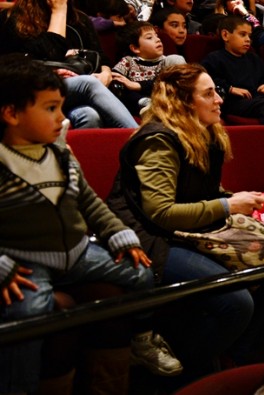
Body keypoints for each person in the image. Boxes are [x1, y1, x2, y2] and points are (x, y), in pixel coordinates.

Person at [0, 54, 179, 393]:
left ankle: (141, 339)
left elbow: (89, 202)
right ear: (11, 114)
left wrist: (119, 235)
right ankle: (17, 385)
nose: (61, 117)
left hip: (79, 252)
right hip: (27, 260)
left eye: (60, 107)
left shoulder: (60, 154)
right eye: (50, 108)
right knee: (30, 314)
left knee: (142, 272)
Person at [106, 64, 264, 381]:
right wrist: (228, 205)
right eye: (209, 93)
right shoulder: (158, 139)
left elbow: (197, 191)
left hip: (185, 229)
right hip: (150, 236)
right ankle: (186, 375)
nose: (219, 100)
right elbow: (160, 212)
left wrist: (238, 199)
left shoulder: (203, 132)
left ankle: (234, 362)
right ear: (185, 103)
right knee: (236, 302)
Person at [0, 0, 139, 129]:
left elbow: (100, 56)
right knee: (87, 83)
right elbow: (51, 54)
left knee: (89, 115)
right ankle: (142, 140)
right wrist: (58, 11)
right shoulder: (12, 19)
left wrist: (106, 73)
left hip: (73, 90)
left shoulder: (80, 19)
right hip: (33, 88)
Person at [203, 16, 264, 136]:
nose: (248, 39)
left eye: (249, 36)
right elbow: (208, 81)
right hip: (233, 102)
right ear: (225, 35)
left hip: (257, 99)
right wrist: (230, 88)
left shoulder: (253, 58)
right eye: (242, 35)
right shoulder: (215, 58)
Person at [112, 21, 186, 116]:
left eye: (156, 36)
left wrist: (138, 85)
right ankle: (148, 106)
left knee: (176, 60)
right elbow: (115, 80)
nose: (158, 40)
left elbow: (165, 85)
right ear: (135, 48)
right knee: (122, 89)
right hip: (140, 105)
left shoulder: (167, 62)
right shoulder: (128, 61)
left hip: (166, 100)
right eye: (149, 38)